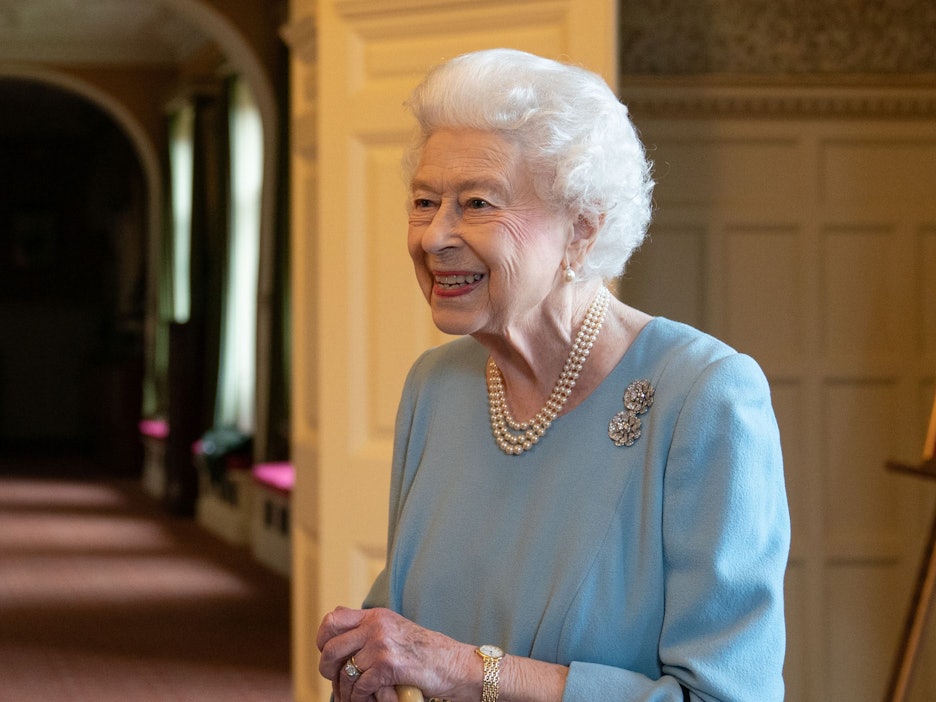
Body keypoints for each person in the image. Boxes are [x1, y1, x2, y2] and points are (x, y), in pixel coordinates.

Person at [317, 48, 790, 702]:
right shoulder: (435, 387)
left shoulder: (705, 397)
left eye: (477, 203)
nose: (433, 237)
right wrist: (366, 656)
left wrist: (463, 668)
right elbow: (406, 626)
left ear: (583, 230)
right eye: (425, 201)